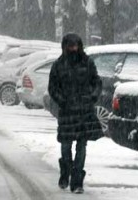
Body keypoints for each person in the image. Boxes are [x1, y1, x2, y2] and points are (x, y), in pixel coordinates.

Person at [48, 33, 103, 194]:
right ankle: (65, 173)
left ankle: (77, 181)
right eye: (70, 46)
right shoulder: (58, 65)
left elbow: (96, 82)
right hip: (67, 112)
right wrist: (62, 100)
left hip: (84, 112)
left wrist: (92, 97)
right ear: (65, 47)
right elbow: (53, 87)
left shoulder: (87, 62)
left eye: (76, 45)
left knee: (81, 146)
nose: (73, 49)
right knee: (66, 146)